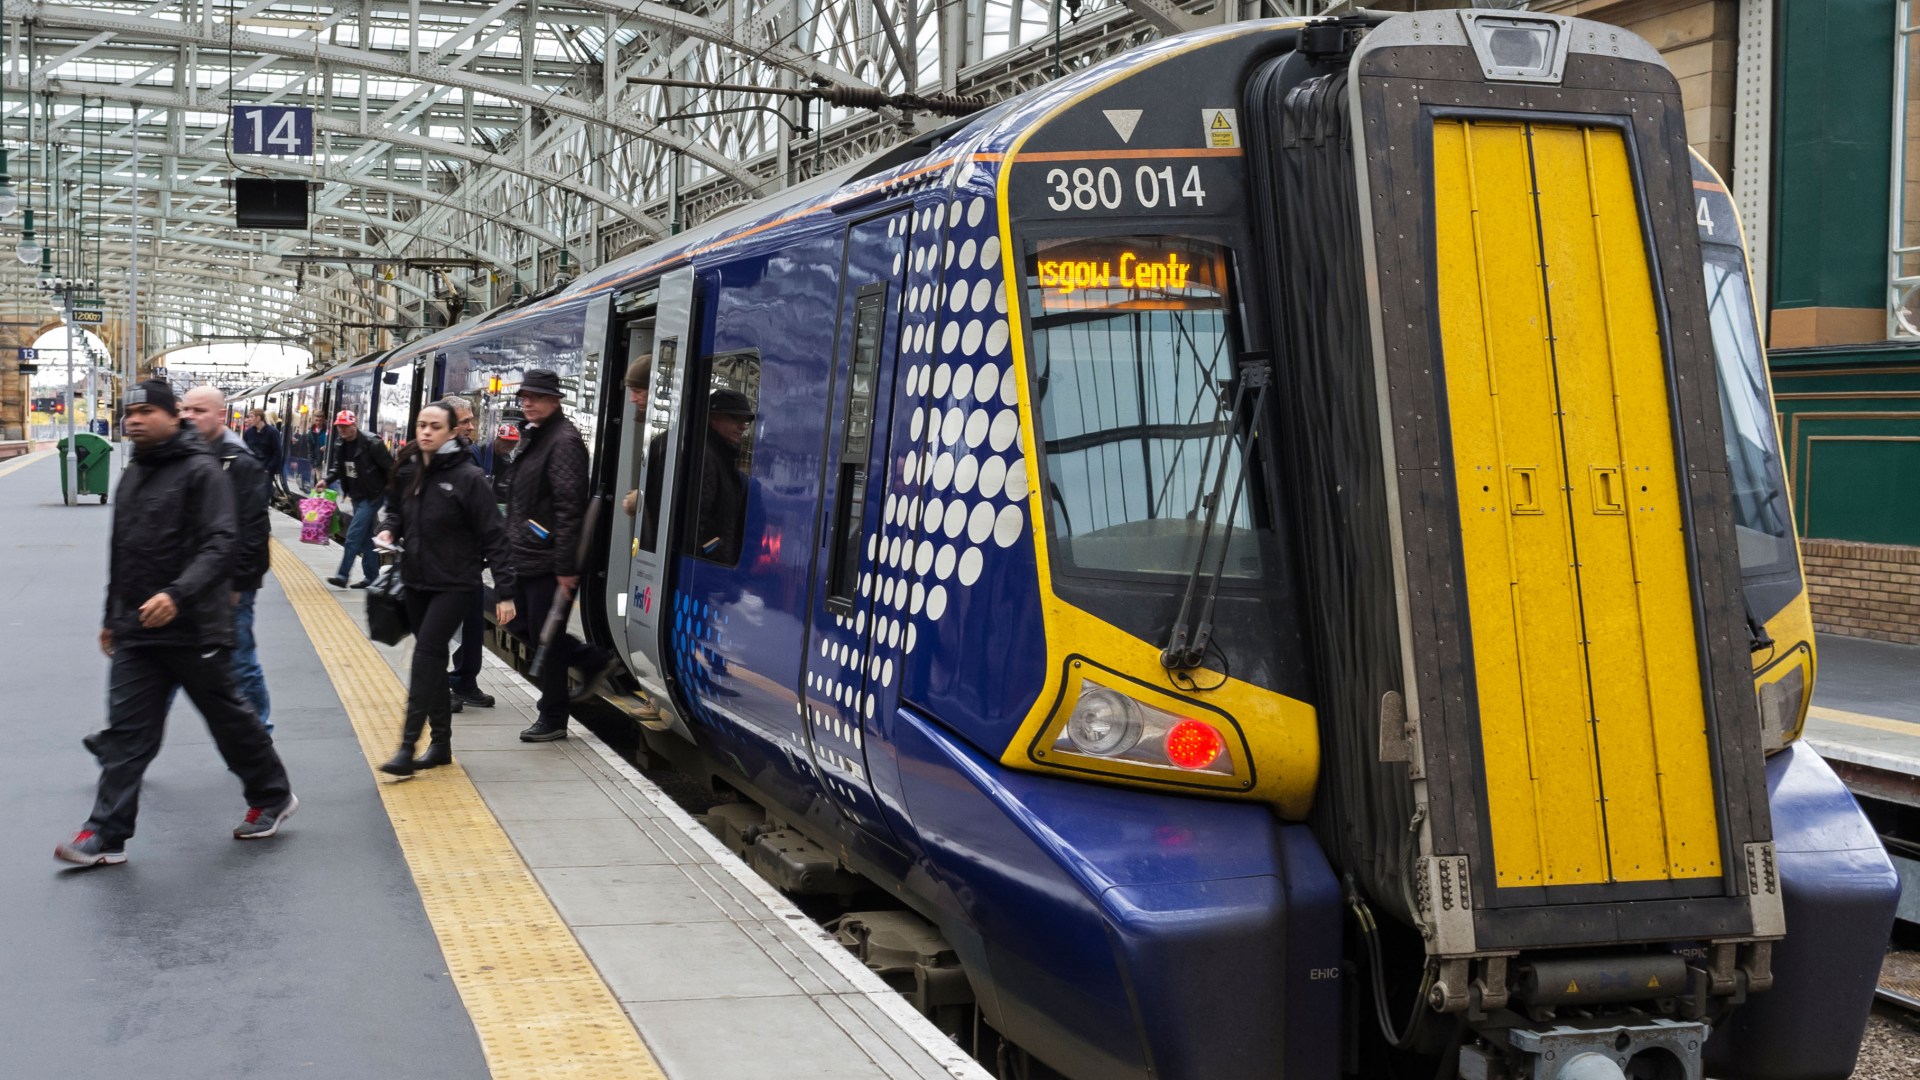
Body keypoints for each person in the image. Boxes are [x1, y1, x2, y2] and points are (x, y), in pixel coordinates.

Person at [56, 380, 297, 867]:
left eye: (146, 411)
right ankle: (105, 835)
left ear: (172, 417)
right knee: (127, 733)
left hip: (195, 625)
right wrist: (112, 617)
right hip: (138, 628)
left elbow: (221, 542)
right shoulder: (133, 475)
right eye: (129, 413)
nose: (134, 421)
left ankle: (272, 796)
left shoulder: (202, 471)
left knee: (228, 718)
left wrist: (177, 593)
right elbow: (123, 554)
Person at [373, 402, 517, 777]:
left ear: (452, 432)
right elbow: (394, 510)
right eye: (421, 425)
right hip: (417, 580)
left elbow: (495, 537)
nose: (426, 432)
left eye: (435, 426)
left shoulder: (469, 478)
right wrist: (389, 528)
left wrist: (505, 592)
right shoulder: (410, 470)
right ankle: (441, 745)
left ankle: (407, 747)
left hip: (455, 583)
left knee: (426, 654)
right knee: (433, 662)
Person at [504, 369, 619, 742]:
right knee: (518, 623)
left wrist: (567, 567)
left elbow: (570, 508)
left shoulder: (564, 442)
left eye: (536, 397)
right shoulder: (536, 437)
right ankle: (591, 659)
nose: (528, 402)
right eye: (524, 396)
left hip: (548, 558)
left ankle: (553, 717)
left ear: (555, 400)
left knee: (546, 639)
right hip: (526, 553)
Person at [180, 387, 275, 732]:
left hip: (227, 581)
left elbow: (253, 528)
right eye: (185, 409)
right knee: (160, 661)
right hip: (186, 578)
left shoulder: (240, 462)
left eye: (199, 410)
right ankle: (127, 736)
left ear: (221, 416)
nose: (189, 416)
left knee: (239, 659)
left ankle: (260, 728)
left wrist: (239, 581)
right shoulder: (180, 455)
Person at [442, 396, 494, 712]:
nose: (472, 427)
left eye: (472, 420)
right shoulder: (424, 457)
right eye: (465, 421)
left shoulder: (471, 454)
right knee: (441, 629)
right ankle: (439, 688)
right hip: (439, 561)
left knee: (473, 625)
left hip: (469, 559)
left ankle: (465, 681)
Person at [324, 409, 394, 588]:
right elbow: (338, 468)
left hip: (372, 496)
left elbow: (390, 468)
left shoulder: (372, 443)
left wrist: (391, 493)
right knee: (365, 538)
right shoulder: (341, 444)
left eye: (346, 427)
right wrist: (326, 480)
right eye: (340, 427)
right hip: (356, 495)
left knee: (353, 535)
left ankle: (342, 575)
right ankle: (372, 578)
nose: (343, 430)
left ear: (354, 425)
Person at [696, 389, 756, 566]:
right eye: (734, 418)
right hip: (709, 570)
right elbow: (698, 520)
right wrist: (713, 553)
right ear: (712, 418)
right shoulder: (705, 457)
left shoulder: (722, 458)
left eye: (745, 421)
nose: (743, 426)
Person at [243, 408, 284, 493]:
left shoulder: (273, 432)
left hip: (265, 472)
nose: (249, 419)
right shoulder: (248, 432)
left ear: (258, 418)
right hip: (251, 471)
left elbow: (278, 452)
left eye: (251, 417)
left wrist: (268, 469)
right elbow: (244, 450)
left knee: (263, 498)